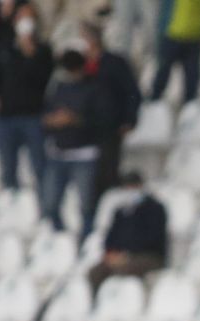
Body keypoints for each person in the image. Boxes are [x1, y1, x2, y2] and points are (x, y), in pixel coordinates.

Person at [41, 42, 112, 236]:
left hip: (84, 154)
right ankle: (60, 239)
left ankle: (85, 242)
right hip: (58, 153)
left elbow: (102, 119)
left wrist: (75, 119)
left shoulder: (94, 88)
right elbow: (46, 113)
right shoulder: (59, 88)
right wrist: (51, 121)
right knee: (49, 204)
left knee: (86, 205)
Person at [0, 5, 51, 192]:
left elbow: (43, 80)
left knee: (39, 165)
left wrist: (30, 54)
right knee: (7, 167)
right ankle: (11, 202)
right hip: (5, 116)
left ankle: (43, 204)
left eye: (30, 19)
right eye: (22, 18)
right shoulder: (3, 47)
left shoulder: (43, 51)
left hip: (33, 115)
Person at [84, 23, 143, 213]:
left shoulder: (114, 63)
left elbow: (132, 91)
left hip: (109, 127)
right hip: (82, 131)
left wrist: (129, 119)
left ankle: (108, 214)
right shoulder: (77, 65)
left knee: (107, 173)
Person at [87, 173, 169, 297]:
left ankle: (125, 304)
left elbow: (153, 238)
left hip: (149, 256)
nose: (129, 191)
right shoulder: (121, 211)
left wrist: (127, 255)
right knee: (95, 272)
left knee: (122, 271)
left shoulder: (155, 209)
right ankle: (97, 303)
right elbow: (110, 238)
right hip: (122, 257)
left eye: (133, 187)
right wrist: (112, 254)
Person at [149, 0, 200, 105]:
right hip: (171, 36)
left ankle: (188, 111)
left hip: (194, 39)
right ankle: (153, 104)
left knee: (192, 81)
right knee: (162, 74)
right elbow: (162, 11)